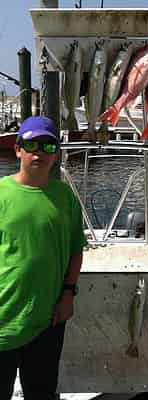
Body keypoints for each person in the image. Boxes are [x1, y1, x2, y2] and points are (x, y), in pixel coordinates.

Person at [0, 116, 88, 399]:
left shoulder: (65, 197)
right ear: (18, 149)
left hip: (49, 319)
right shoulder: (1, 193)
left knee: (42, 393)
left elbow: (76, 249)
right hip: (2, 319)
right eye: (31, 144)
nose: (39, 151)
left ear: (57, 154)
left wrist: (68, 294)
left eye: (48, 146)